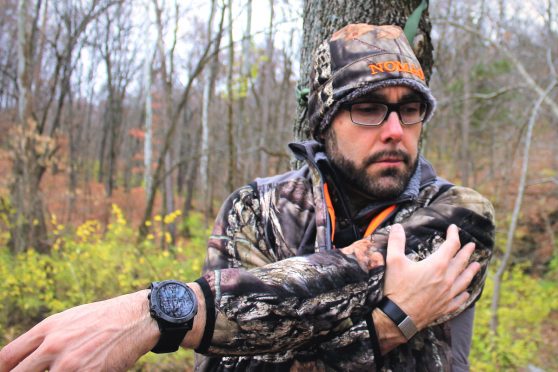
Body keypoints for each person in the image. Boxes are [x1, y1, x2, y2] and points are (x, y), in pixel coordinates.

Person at [0, 24, 494, 372]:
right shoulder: (255, 211)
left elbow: (349, 276)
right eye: (368, 109)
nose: (394, 130)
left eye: (409, 111)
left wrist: (162, 312)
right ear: (324, 124)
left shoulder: (459, 217)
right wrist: (386, 327)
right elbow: (228, 368)